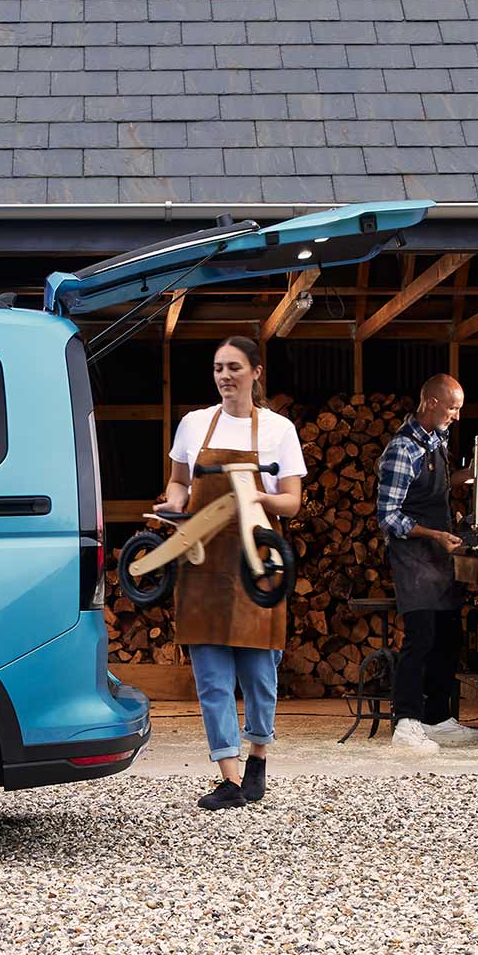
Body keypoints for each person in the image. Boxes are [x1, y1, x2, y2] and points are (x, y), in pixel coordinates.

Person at [156, 336, 306, 810]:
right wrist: (174, 504)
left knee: (260, 672)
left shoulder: (279, 430)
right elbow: (179, 482)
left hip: (256, 563)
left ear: (256, 372)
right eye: (219, 367)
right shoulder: (195, 424)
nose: (224, 376)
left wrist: (259, 498)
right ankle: (229, 776)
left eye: (234, 368)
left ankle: (258, 753)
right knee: (212, 678)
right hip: (202, 561)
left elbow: (293, 501)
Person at [376, 373, 478, 753]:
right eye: (453, 408)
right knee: (420, 637)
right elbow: (388, 515)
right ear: (432, 403)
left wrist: (466, 477)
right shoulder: (402, 449)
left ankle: (436, 719)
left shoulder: (437, 442)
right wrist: (436, 536)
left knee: (447, 636)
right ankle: (405, 723)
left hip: (438, 559)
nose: (457, 415)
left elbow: (435, 487)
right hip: (413, 558)